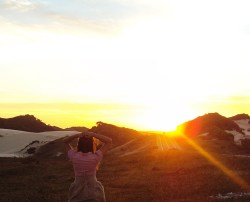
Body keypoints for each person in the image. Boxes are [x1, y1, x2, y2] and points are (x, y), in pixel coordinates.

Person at [63, 131, 112, 202]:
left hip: (77, 190)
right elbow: (109, 141)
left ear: (79, 144)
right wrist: (93, 134)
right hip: (94, 191)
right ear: (92, 144)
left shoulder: (74, 156)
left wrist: (77, 135)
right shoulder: (96, 156)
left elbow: (64, 141)